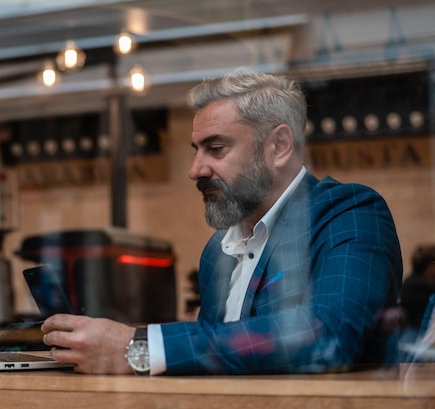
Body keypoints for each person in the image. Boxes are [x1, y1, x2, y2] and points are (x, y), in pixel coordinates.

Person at [41, 72, 403, 375]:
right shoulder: (218, 250)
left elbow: (326, 336)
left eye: (216, 149)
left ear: (278, 146)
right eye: (196, 150)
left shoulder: (350, 212)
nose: (195, 170)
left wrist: (137, 347)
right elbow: (213, 355)